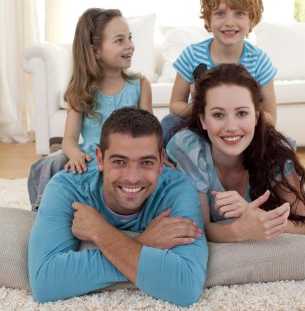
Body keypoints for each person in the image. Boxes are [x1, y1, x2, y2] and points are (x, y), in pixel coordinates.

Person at [28, 107, 208, 307]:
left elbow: (187, 286)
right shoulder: (67, 187)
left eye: (146, 162)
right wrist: (144, 244)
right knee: (49, 168)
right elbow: (44, 282)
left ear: (161, 161)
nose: (132, 177)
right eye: (119, 161)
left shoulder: (178, 190)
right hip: (51, 180)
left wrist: (101, 233)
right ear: (100, 158)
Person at [166, 64, 305, 242]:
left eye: (242, 113)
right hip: (173, 139)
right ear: (203, 120)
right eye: (218, 115)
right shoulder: (190, 149)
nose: (231, 127)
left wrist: (254, 215)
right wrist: (239, 231)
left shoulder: (275, 151)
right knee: (168, 124)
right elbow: (201, 227)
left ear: (256, 116)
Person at [28, 8, 152, 211]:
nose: (130, 46)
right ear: (96, 51)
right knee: (52, 163)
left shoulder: (140, 85)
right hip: (92, 156)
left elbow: (151, 134)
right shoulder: (81, 90)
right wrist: (75, 154)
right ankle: (44, 213)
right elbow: (69, 139)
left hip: (129, 157)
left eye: (129, 38)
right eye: (120, 40)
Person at [161, 0, 277, 147]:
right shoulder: (192, 55)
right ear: (207, 19)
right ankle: (174, 170)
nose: (229, 22)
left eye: (239, 13)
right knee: (169, 123)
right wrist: (201, 110)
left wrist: (244, 114)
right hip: (201, 128)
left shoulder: (259, 61)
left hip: (241, 133)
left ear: (252, 19)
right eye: (220, 13)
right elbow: (175, 105)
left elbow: (270, 118)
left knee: (284, 144)